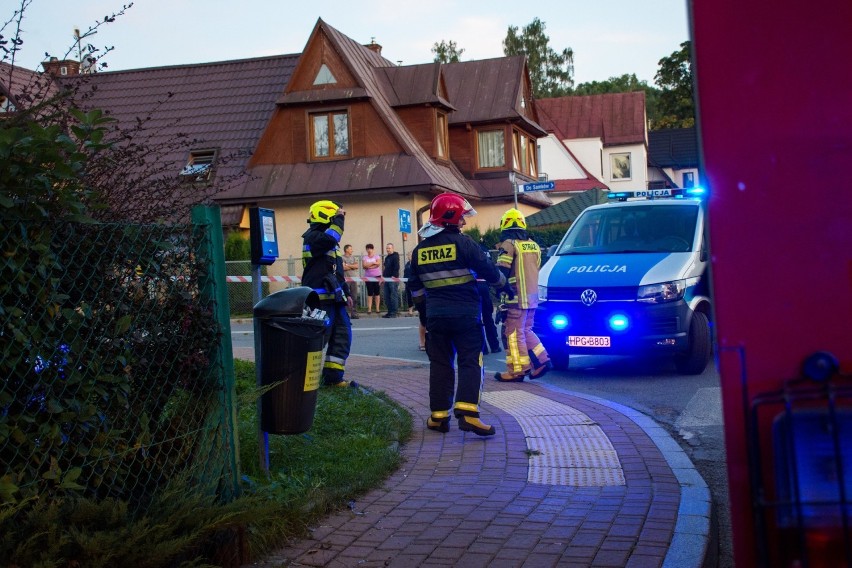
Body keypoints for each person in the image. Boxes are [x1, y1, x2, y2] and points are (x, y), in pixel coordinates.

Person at [407, 193, 506, 437]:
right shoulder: (464, 244)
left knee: (440, 364)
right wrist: (504, 284)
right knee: (471, 360)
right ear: (451, 218)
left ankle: (439, 417)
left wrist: (424, 315)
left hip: (436, 318)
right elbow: (488, 270)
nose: (464, 222)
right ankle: (468, 414)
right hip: (466, 316)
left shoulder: (419, 251)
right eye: (462, 217)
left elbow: (416, 289)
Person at [301, 200, 356, 388]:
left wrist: (346, 291)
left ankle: (333, 378)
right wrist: (340, 218)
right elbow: (333, 237)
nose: (337, 222)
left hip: (334, 298)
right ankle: (303, 379)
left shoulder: (328, 241)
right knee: (318, 339)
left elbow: (336, 270)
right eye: (334, 218)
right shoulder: (313, 237)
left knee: (342, 336)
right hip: (319, 300)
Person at [493, 208, 552, 382]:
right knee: (526, 330)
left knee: (513, 334)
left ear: (504, 225)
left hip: (515, 297)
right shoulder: (533, 245)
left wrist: (498, 289)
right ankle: (542, 361)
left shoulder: (509, 245)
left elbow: (501, 272)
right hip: (532, 298)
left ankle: (517, 371)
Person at [341, 244, 360, 319]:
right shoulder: (341, 258)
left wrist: (347, 265)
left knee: (354, 297)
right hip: (345, 280)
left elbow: (356, 266)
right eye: (351, 249)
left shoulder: (353, 258)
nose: (352, 250)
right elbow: (343, 268)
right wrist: (351, 266)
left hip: (354, 279)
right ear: (346, 250)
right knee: (345, 297)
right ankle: (345, 313)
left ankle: (354, 313)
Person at [382, 242, 400, 318]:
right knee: (386, 296)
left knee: (393, 295)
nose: (388, 250)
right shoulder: (387, 257)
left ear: (393, 248)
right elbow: (386, 268)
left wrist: (394, 276)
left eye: (389, 248)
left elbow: (397, 267)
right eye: (387, 248)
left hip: (393, 279)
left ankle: (394, 312)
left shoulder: (395, 256)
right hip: (386, 279)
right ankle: (389, 311)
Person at [362, 244, 382, 314]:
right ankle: (369, 309)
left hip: (377, 276)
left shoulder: (377, 256)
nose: (369, 250)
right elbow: (364, 266)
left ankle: (377, 309)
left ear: (373, 249)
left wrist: (369, 265)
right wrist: (373, 263)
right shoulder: (365, 257)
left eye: (370, 248)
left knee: (377, 292)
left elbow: (378, 263)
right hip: (368, 276)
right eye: (367, 249)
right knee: (370, 293)